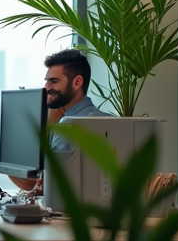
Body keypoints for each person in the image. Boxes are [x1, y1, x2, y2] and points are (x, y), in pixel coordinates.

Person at [9, 48, 111, 192]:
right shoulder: (102, 118)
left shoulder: (69, 126)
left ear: (77, 82)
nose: (47, 88)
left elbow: (45, 184)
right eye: (47, 81)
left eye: (54, 81)